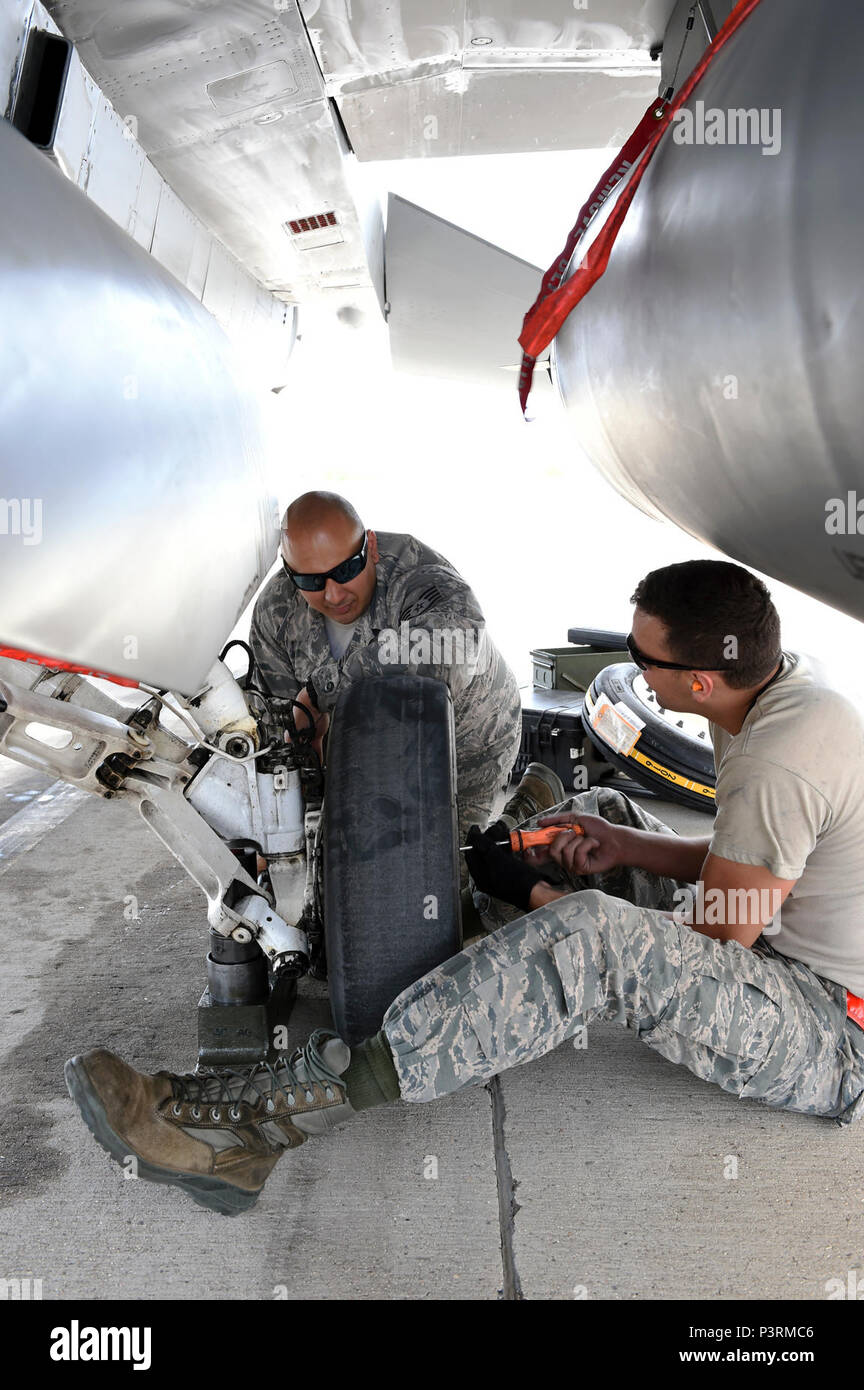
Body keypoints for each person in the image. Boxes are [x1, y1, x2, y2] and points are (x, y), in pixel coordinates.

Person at [67, 559, 864, 1218]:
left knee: (591, 937)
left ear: (698, 681)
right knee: (601, 815)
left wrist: (549, 904)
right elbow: (748, 866)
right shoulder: (773, 699)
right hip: (779, 948)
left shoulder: (776, 761)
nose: (630, 665)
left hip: (831, 1031)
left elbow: (714, 946)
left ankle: (253, 1130)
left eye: (643, 656)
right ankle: (466, 966)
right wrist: (624, 845)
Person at [247, 490, 557, 856]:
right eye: (312, 581)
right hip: (362, 750)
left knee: (437, 883)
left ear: (371, 548)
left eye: (345, 570)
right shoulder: (276, 612)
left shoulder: (419, 576)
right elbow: (277, 725)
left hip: (467, 743)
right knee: (331, 878)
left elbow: (450, 649)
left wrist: (318, 693)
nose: (332, 594)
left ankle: (524, 810)